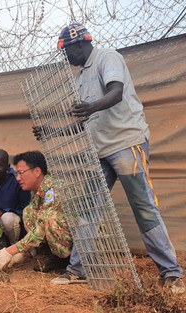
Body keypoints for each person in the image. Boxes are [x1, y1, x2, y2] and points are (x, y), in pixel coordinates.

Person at [45, 22, 184, 293]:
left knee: (143, 207)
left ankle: (171, 273)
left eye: (68, 52)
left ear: (79, 44)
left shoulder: (107, 57)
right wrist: (52, 131)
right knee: (89, 209)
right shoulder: (80, 78)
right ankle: (77, 270)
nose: (67, 58)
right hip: (101, 151)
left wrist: (93, 106)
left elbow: (116, 92)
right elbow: (84, 118)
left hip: (126, 143)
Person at [0, 151, 72, 273]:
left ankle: (66, 259)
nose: (17, 178)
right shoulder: (38, 192)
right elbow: (37, 224)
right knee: (29, 212)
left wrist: (11, 250)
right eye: (16, 174)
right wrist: (23, 253)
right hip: (62, 236)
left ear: (37, 171)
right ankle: (50, 256)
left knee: (49, 217)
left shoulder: (53, 189)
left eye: (21, 173)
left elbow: (41, 228)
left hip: (78, 243)